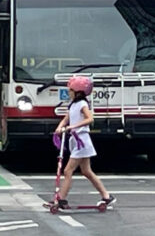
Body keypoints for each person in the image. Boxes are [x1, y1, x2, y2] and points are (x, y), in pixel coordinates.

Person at [53, 76, 116, 209]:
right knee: (86, 171)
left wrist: (73, 126)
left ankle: (62, 199)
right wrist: (59, 128)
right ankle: (106, 196)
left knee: (68, 170)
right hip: (76, 140)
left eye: (70, 90)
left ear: (77, 91)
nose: (68, 92)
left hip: (82, 140)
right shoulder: (73, 105)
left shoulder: (82, 104)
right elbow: (66, 119)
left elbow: (90, 119)